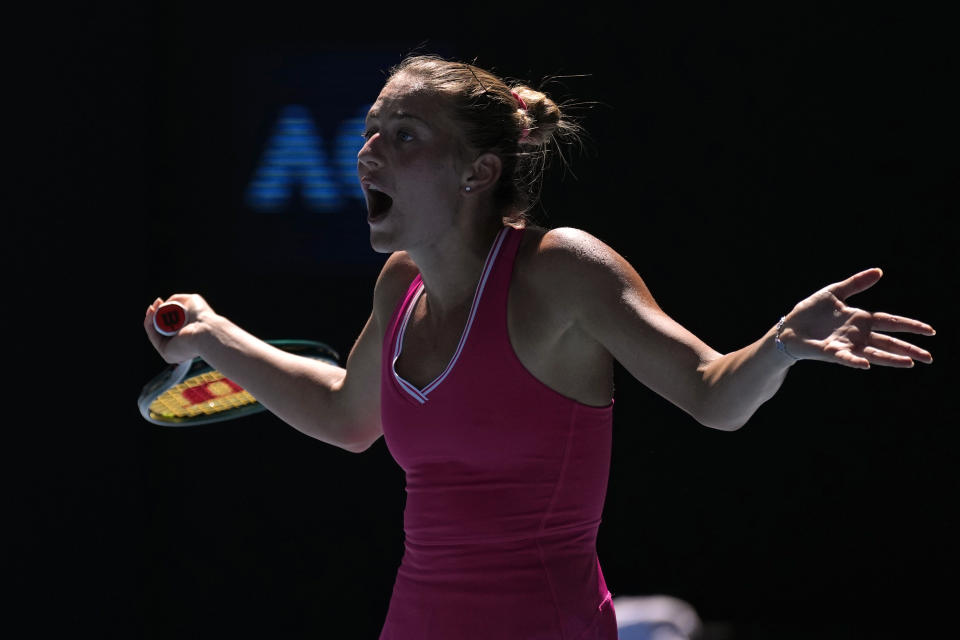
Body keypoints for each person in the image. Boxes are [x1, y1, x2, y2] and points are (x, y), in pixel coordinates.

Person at [143, 54, 935, 639]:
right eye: (370, 131)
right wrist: (214, 334)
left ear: (477, 171)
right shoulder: (400, 283)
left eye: (404, 134)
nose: (368, 152)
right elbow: (347, 414)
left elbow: (712, 392)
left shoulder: (562, 270)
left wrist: (780, 345)